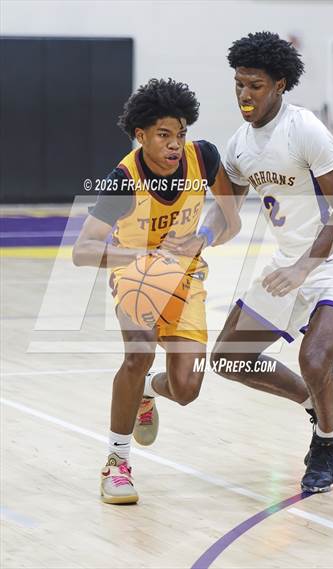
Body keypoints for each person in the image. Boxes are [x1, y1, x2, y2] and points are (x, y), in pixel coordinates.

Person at [211, 32, 333, 493]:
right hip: (287, 262)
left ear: (279, 85)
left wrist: (304, 268)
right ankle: (325, 408)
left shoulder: (304, 129)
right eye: (239, 84)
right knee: (229, 358)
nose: (244, 94)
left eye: (255, 85)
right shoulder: (239, 145)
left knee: (314, 360)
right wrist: (194, 240)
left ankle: (326, 440)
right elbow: (227, 218)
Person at [73, 78, 241, 504]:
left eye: (180, 134)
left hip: (186, 278)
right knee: (139, 351)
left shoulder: (204, 158)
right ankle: (117, 463)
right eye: (163, 135)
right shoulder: (123, 180)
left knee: (186, 389)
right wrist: (140, 255)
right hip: (136, 276)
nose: (174, 144)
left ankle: (147, 390)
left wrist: (202, 237)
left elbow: (231, 220)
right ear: (141, 135)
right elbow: (83, 250)